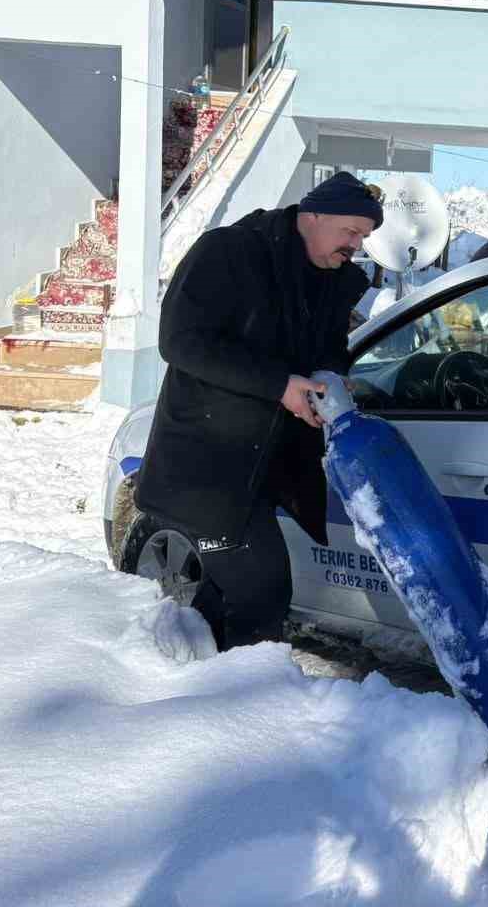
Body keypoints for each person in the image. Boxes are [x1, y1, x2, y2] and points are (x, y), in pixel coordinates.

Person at [135, 171, 381, 650]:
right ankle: (245, 706)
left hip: (266, 468)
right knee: (262, 592)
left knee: (223, 595)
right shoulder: (229, 252)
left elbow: (329, 347)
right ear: (312, 215)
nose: (356, 244)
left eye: (364, 237)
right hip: (208, 466)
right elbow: (180, 341)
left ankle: (188, 682)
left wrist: (329, 377)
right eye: (350, 231)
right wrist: (278, 385)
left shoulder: (331, 280)